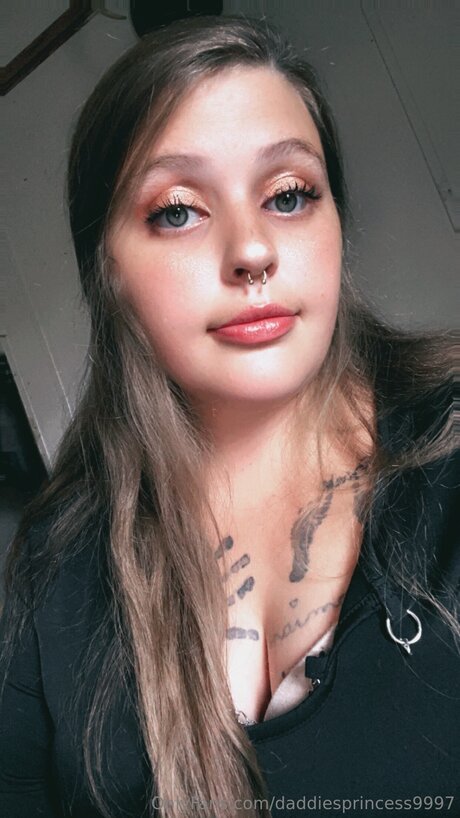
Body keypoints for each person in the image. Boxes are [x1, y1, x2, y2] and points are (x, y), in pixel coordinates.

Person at [0, 13, 458, 818]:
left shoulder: (447, 452)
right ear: (107, 267)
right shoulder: (59, 562)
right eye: (178, 210)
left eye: (288, 195)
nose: (251, 250)